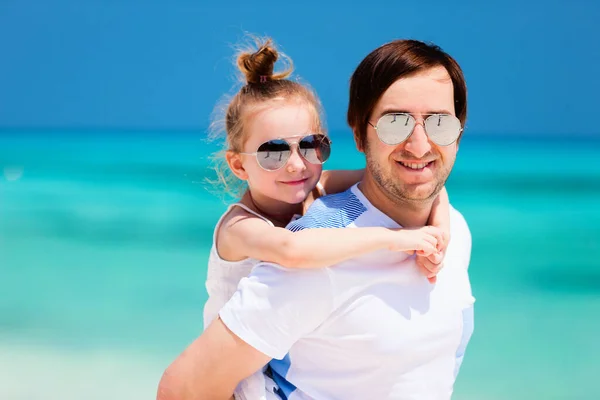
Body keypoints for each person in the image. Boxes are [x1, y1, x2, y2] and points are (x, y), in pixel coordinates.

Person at [158, 38, 473, 400]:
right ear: (358, 133)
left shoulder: (453, 229)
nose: (419, 146)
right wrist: (395, 238)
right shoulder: (293, 246)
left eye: (440, 124)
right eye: (395, 123)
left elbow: (414, 181)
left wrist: (440, 227)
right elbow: (180, 388)